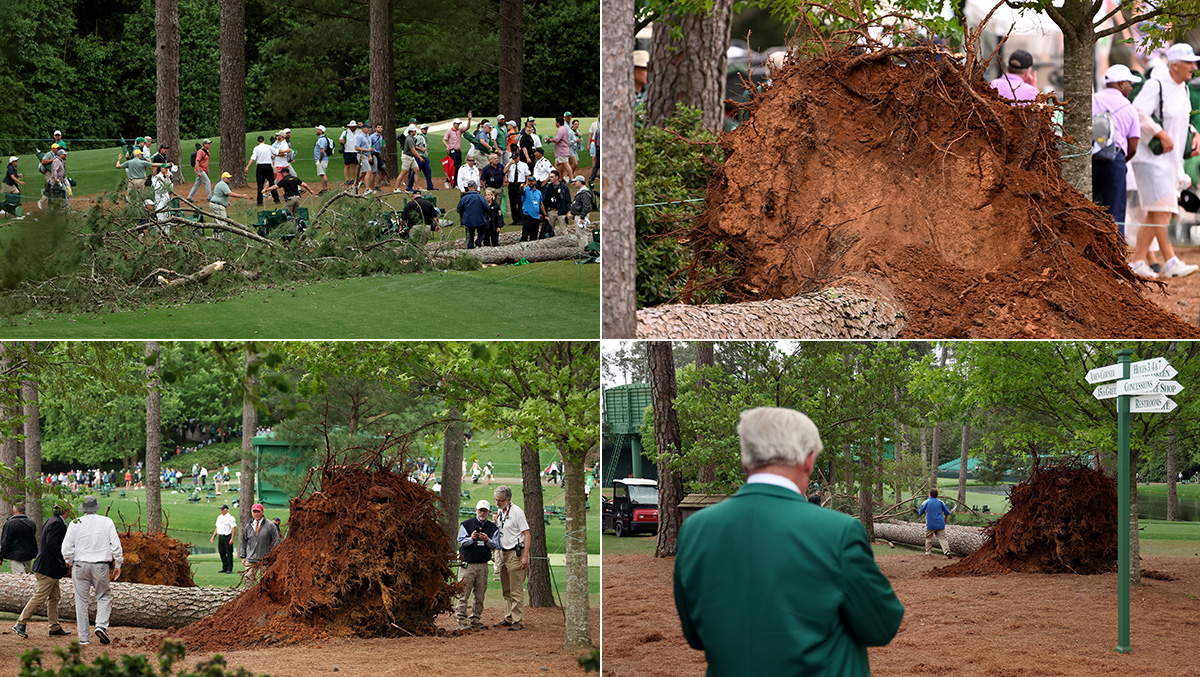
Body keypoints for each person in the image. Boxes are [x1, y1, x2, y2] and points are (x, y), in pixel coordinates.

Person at [674, 407, 904, 675]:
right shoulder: (838, 531)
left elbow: (695, 635)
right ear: (808, 460)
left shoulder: (696, 529)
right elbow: (881, 626)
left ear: (745, 461)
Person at [1128, 43, 1200, 279]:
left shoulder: (1185, 90)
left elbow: (1181, 120)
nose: (1194, 66)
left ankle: (1138, 261)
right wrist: (1159, 132)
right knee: (1163, 208)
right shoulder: (1155, 85)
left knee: (1157, 211)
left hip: (1171, 160)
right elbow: (1137, 112)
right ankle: (1170, 260)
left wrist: (1194, 132)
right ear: (1175, 65)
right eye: (1189, 62)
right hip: (1150, 159)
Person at [62, 496, 123, 645]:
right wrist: (118, 564)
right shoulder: (106, 521)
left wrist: (68, 561)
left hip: (80, 565)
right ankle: (101, 625)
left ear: (83, 509)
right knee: (103, 596)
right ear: (96, 508)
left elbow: (66, 547)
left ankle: (83, 638)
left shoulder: (75, 523)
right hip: (100, 565)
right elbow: (115, 545)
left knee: (81, 601)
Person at [1093, 64, 1142, 237]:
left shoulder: (1092, 99)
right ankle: (1116, 256)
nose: (1131, 88)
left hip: (1090, 160)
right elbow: (1133, 145)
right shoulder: (1129, 108)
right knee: (1115, 213)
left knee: (1085, 208)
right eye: (1129, 83)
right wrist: (1120, 159)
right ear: (1121, 83)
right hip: (1115, 161)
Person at [12, 504, 71, 639]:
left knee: (54, 597)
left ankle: (54, 627)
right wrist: (63, 559)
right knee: (40, 597)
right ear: (66, 511)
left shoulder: (52, 520)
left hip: (50, 568)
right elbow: (52, 543)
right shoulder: (56, 523)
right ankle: (20, 623)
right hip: (47, 567)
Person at [455, 499, 499, 630]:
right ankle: (461, 621)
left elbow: (496, 545)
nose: (482, 513)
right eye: (480, 510)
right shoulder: (467, 524)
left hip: (483, 565)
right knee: (463, 594)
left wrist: (487, 540)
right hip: (467, 564)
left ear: (489, 512)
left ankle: (475, 620)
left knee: (480, 595)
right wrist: (471, 538)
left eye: (485, 511)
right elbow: (461, 542)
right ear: (476, 510)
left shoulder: (492, 527)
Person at [492, 485, 530, 631]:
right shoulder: (501, 511)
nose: (497, 503)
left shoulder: (517, 512)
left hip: (516, 552)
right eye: (496, 500)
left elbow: (527, 534)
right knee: (506, 589)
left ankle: (517, 620)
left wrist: (525, 556)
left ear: (508, 499)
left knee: (516, 589)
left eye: (500, 500)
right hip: (503, 552)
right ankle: (508, 617)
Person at [240, 503, 281, 571]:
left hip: (266, 560)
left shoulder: (270, 525)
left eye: (258, 512)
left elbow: (276, 541)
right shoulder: (248, 526)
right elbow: (244, 541)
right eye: (254, 512)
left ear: (262, 512)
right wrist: (243, 556)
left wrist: (273, 556)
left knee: (266, 581)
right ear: (251, 512)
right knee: (248, 580)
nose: (256, 514)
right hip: (250, 559)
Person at [0, 504, 38, 573]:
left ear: (14, 511)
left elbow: (5, 541)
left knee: (20, 577)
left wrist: (1, 556)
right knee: (27, 575)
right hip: (28, 554)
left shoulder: (10, 524)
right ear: (24, 511)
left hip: (15, 555)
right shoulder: (31, 523)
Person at [918, 488, 954, 558]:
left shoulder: (926, 502)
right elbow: (947, 512)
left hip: (930, 524)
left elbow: (920, 513)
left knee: (928, 538)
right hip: (940, 523)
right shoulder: (941, 502)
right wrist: (945, 519)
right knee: (942, 538)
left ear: (930, 494)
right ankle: (947, 551)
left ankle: (928, 552)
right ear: (937, 495)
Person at [245, 135, 279, 206]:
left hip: (260, 166)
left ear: (258, 141)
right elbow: (276, 152)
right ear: (264, 141)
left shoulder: (256, 148)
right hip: (268, 166)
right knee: (271, 182)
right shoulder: (269, 147)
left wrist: (247, 167)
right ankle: (276, 199)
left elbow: (253, 158)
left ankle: (260, 201)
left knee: (260, 184)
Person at [458, 180, 490, 249]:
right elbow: (487, 208)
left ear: (468, 187)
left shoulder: (464, 198)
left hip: (468, 221)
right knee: (482, 232)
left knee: (470, 235)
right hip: (479, 220)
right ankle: (478, 242)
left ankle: (470, 247)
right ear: (475, 187)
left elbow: (458, 208)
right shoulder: (480, 197)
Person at [208, 503, 238, 574]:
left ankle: (229, 568)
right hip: (221, 536)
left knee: (229, 553)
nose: (221, 511)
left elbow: (233, 528)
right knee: (222, 552)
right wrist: (213, 537)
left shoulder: (230, 518)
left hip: (227, 536)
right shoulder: (219, 517)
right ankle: (224, 567)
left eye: (222, 509)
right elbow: (217, 528)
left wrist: (232, 538)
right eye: (221, 509)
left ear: (226, 510)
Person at [543, 170, 570, 238]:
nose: (550, 178)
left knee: (563, 230)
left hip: (561, 210)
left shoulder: (564, 188)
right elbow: (544, 200)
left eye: (552, 177)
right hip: (551, 211)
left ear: (557, 177)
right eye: (550, 177)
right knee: (550, 229)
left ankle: (567, 242)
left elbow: (568, 200)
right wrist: (544, 213)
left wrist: (568, 211)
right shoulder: (547, 187)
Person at [505, 155, 531, 225]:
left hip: (520, 184)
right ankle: (515, 219)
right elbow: (504, 171)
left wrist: (526, 184)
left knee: (520, 202)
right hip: (512, 184)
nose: (514, 159)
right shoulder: (509, 164)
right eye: (513, 158)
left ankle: (521, 219)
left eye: (515, 158)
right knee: (512, 202)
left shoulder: (523, 165)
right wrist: (510, 164)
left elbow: (527, 175)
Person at [519, 175, 545, 242]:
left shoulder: (538, 192)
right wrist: (521, 187)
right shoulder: (526, 190)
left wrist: (545, 214)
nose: (531, 183)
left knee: (534, 236)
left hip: (536, 216)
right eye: (529, 181)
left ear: (535, 182)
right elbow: (522, 190)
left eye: (532, 181)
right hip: (527, 215)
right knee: (525, 234)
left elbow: (541, 204)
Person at [480, 153, 506, 218]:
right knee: (490, 203)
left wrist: (503, 183)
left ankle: (497, 218)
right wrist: (485, 189)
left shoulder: (501, 166)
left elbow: (503, 175)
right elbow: (482, 180)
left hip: (499, 188)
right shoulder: (486, 169)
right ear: (490, 160)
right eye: (495, 159)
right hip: (490, 188)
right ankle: (489, 217)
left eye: (497, 158)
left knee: (498, 204)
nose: (497, 160)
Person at [398, 124, 420, 193]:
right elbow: (412, 149)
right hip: (407, 157)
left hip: (411, 157)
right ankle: (396, 188)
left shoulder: (411, 138)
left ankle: (417, 187)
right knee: (403, 173)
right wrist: (419, 157)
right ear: (411, 131)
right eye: (414, 131)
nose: (415, 132)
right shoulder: (409, 139)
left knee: (417, 170)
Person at [354, 123, 374, 194]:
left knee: (363, 172)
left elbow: (368, 146)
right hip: (361, 155)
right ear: (363, 128)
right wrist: (367, 150)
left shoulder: (367, 136)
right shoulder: (360, 137)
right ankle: (367, 189)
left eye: (369, 128)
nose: (368, 129)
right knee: (368, 171)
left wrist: (369, 155)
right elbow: (356, 147)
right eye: (367, 128)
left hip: (366, 155)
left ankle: (354, 186)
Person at [314, 125, 335, 194]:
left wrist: (319, 160)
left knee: (322, 174)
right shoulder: (322, 139)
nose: (316, 130)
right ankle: (324, 189)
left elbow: (322, 151)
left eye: (318, 129)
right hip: (322, 159)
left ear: (321, 131)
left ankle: (325, 190)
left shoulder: (322, 140)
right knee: (322, 174)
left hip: (321, 160)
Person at [339, 120, 361, 187]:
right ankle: (346, 179)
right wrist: (343, 141)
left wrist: (362, 125)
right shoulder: (345, 132)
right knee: (347, 165)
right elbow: (340, 139)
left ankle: (352, 179)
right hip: (347, 150)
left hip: (356, 151)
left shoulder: (359, 132)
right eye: (351, 126)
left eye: (353, 126)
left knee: (354, 165)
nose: (352, 127)